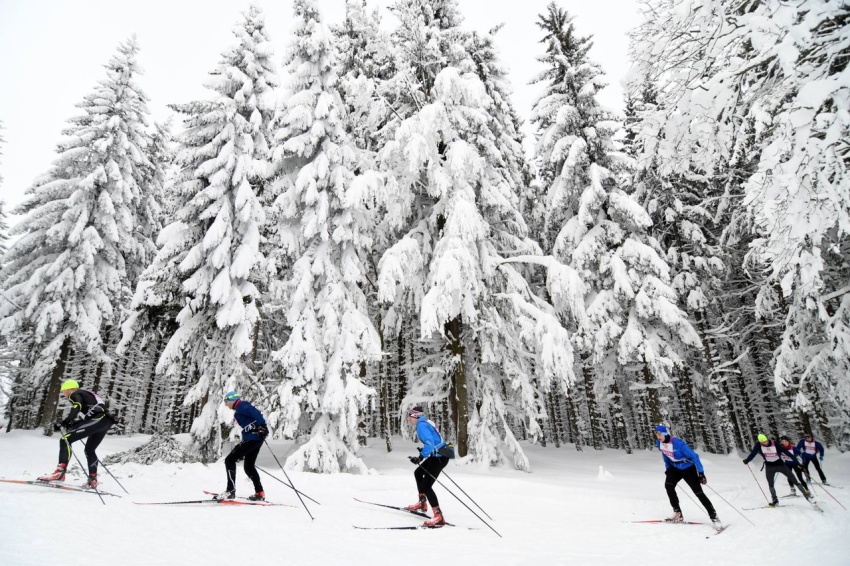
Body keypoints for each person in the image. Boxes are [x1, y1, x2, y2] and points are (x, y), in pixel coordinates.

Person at [37, 380, 115, 489]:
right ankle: (93, 479)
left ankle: (60, 472)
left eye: (64, 391)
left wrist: (65, 422)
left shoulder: (75, 393)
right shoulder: (86, 394)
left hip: (98, 419)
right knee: (89, 450)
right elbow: (91, 412)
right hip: (105, 422)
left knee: (65, 440)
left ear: (69, 389)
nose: (64, 394)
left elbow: (77, 406)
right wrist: (75, 424)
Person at [653, 425, 722, 530]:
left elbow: (695, 456)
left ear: (666, 434)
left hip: (688, 468)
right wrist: (668, 469)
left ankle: (715, 518)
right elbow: (665, 456)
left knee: (698, 493)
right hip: (674, 468)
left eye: (660, 434)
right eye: (656, 434)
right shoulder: (659, 443)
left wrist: (701, 473)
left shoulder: (678, 443)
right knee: (668, 485)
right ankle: (677, 513)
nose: (658, 436)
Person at [215, 391, 269, 501]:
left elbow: (257, 414)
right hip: (254, 439)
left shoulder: (242, 405)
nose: (226, 404)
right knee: (249, 467)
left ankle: (230, 491)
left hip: (252, 439)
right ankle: (259, 493)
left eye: (226, 402)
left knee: (229, 460)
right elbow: (250, 423)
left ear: (232, 400)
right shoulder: (239, 409)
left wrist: (262, 426)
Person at [404, 407, 450, 527]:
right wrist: (425, 451)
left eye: (410, 416)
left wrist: (420, 457)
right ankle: (422, 502)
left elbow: (429, 443)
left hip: (440, 456)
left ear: (416, 416)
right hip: (441, 453)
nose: (408, 419)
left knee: (427, 485)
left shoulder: (421, 426)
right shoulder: (425, 422)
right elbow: (434, 441)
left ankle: (438, 516)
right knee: (418, 472)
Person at [743, 433, 814, 506]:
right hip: (769, 466)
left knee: (794, 480)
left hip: (780, 465)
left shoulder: (774, 443)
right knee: (770, 484)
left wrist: (799, 464)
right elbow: (753, 453)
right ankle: (775, 500)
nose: (764, 443)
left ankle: (807, 495)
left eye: (765, 441)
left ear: (767, 439)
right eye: (762, 442)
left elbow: (788, 453)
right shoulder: (758, 445)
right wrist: (747, 460)